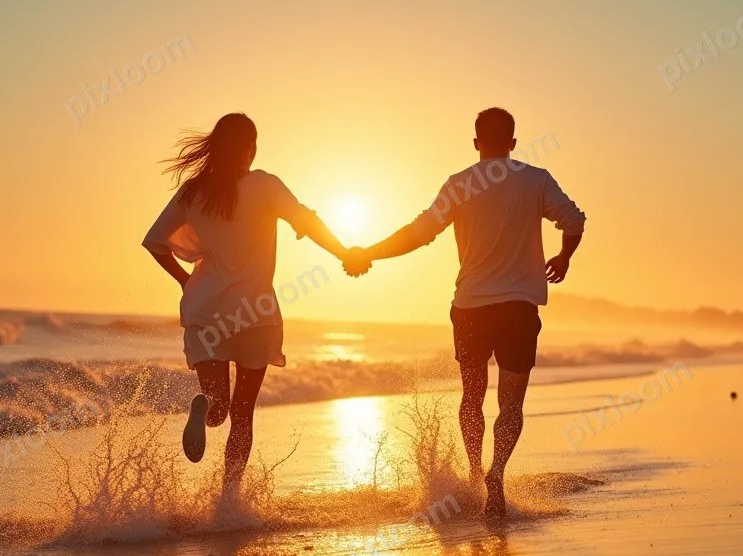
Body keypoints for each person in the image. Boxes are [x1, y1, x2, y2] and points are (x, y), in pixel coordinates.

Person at [345, 107, 586, 518]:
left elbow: (418, 234)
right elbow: (575, 220)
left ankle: (475, 473)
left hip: (471, 307)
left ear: (476, 143)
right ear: (512, 142)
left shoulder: (459, 185)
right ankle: (496, 475)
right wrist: (563, 256)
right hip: (518, 308)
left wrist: (368, 252)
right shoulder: (535, 179)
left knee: (471, 397)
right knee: (510, 405)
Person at [142, 113, 356, 493]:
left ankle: (204, 407)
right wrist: (345, 253)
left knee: (218, 406)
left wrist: (185, 280)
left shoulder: (194, 191)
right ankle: (229, 500)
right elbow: (308, 222)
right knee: (242, 415)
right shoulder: (266, 186)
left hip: (206, 310)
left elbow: (155, 242)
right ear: (251, 148)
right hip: (255, 315)